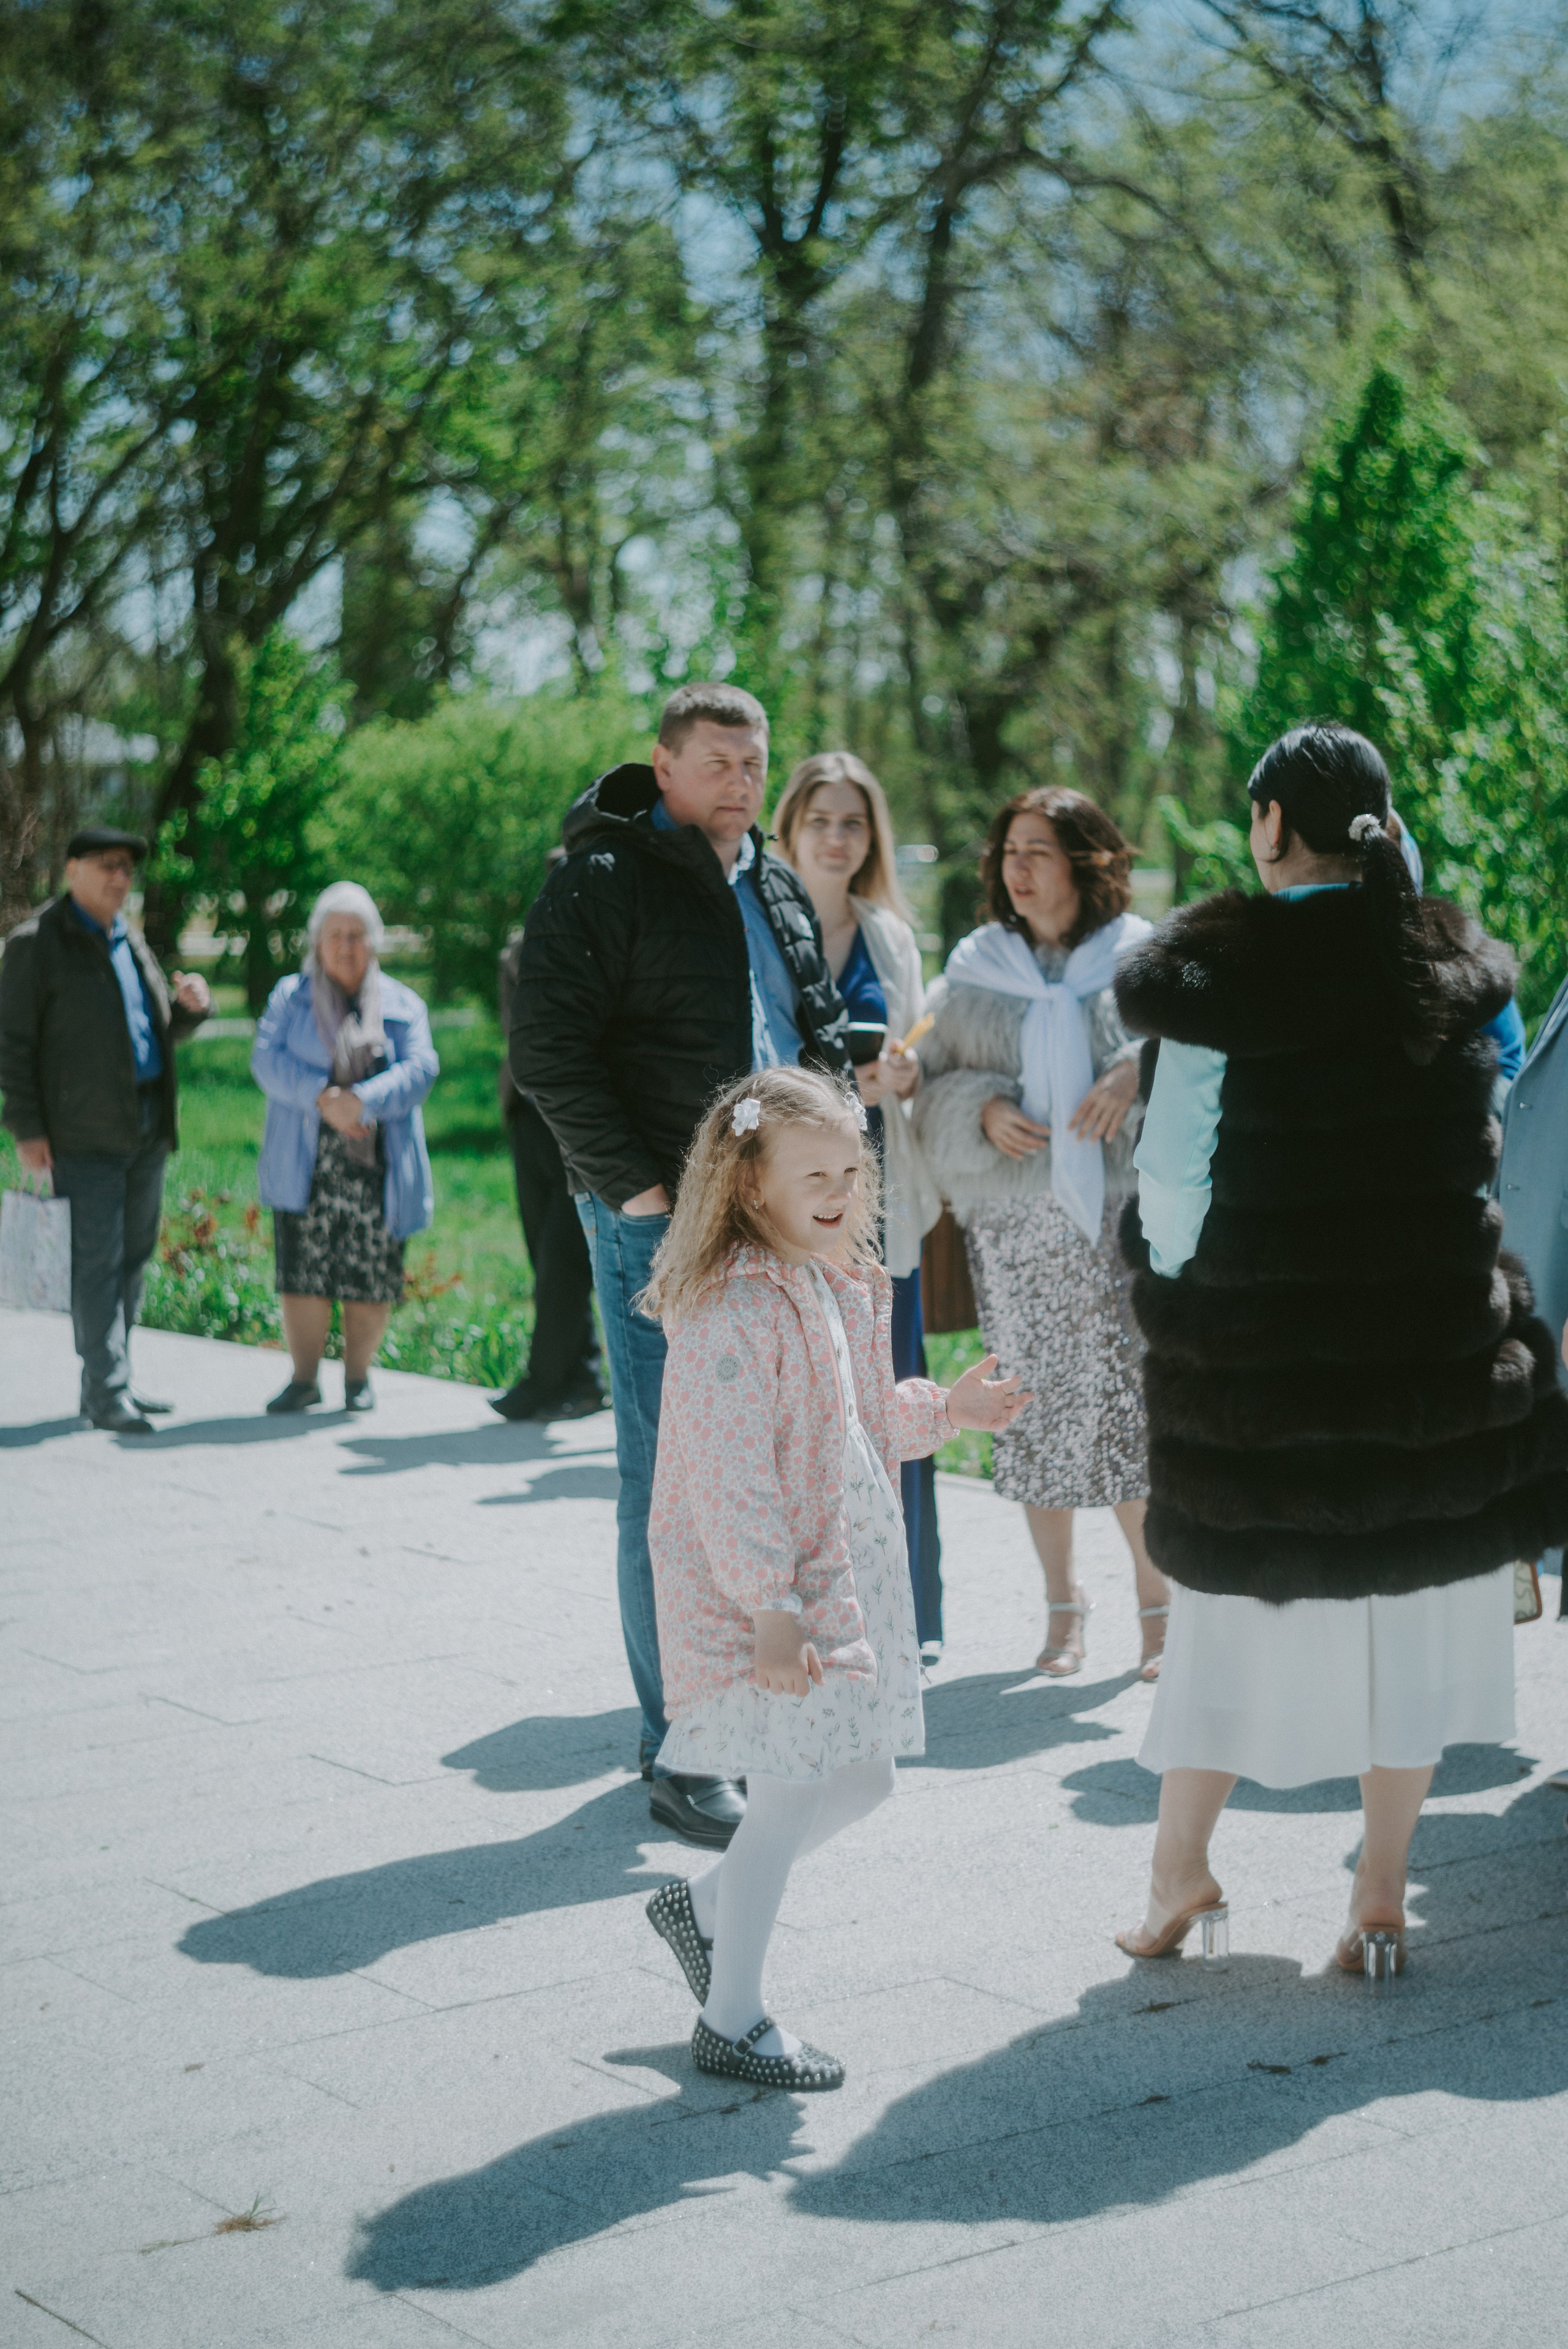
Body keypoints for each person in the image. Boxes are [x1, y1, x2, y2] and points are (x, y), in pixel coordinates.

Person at [1114, 720, 1568, 1972]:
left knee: (1226, 1618)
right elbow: (1496, 1112)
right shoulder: (1437, 966)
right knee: (1408, 1616)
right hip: (1422, 1354)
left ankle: (1177, 1879)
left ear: (1268, 826)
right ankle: (1376, 1895)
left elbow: (1168, 1175)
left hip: (1259, 1369)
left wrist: (1173, 1278)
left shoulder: (1216, 973)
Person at [508, 682, 853, 1849]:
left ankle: (759, 1706)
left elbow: (810, 1030)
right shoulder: (601, 879)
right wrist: (642, 1195)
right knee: (671, 1479)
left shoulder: (769, 878)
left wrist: (837, 1174)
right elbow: (546, 1051)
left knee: (777, 1463)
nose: (743, 781)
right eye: (717, 761)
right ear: (663, 766)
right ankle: (684, 1747)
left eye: (756, 762)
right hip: (660, 1221)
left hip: (779, 1221)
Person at [639, 1066, 1028, 2087]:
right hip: (768, 1593)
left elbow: (860, 1423)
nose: (840, 1190)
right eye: (814, 1170)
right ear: (748, 1180)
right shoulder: (732, 1310)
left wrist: (951, 1409)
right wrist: (770, 1607)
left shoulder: (828, 1282)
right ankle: (734, 2017)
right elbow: (730, 1484)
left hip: (835, 1573)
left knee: (866, 1774)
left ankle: (711, 1906)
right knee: (790, 1786)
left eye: (853, 1170)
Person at [912, 787, 1171, 1678]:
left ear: (1087, 864)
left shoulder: (1145, 960)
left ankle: (1158, 1602)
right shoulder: (975, 969)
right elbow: (932, 1081)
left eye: (1039, 852)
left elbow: (1205, 1062)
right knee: (1030, 1411)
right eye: (1008, 851)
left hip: (1123, 1216)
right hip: (1015, 1222)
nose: (1016, 868)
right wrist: (978, 1108)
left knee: (1131, 1408)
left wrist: (1140, 1067)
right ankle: (1064, 1606)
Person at [772, 750, 946, 1655]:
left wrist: (905, 1078)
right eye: (820, 819)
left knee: (893, 1402)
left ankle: (907, 1609)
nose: (836, 838)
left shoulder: (888, 935)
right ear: (789, 825)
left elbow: (912, 1054)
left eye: (853, 822)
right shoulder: (759, 920)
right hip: (789, 1209)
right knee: (803, 1417)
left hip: (880, 1205)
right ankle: (809, 1612)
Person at [0, 825, 212, 1431]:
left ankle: (115, 1378)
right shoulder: (36, 943)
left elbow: (151, 1033)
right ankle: (106, 1390)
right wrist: (27, 1128)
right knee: (96, 1261)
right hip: (81, 1131)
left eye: (127, 868)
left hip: (145, 1121)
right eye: (107, 865)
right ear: (71, 870)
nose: (121, 877)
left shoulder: (129, 938)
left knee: (134, 1256)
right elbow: (12, 1046)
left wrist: (192, 1013)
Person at [251, 883, 439, 1415]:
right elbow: (266, 1061)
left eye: (357, 934)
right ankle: (304, 1379)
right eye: (335, 935)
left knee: (370, 1275)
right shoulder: (290, 999)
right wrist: (322, 1097)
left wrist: (363, 1100)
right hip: (305, 1162)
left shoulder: (404, 1003)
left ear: (374, 942)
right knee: (303, 1271)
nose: (346, 945)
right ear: (317, 942)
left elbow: (422, 1069)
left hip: (378, 1167)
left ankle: (358, 1380)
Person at [491, 922, 604, 1421]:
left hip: (582, 1117)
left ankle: (545, 1380)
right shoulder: (523, 948)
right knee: (543, 1251)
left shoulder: (609, 945)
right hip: (527, 1112)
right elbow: (513, 1020)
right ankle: (583, 1378)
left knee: (563, 1254)